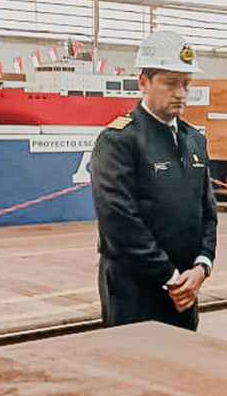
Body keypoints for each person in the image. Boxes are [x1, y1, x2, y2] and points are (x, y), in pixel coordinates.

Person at [90, 30, 217, 332]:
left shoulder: (195, 140)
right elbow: (119, 221)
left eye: (186, 83)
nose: (181, 93)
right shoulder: (118, 141)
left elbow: (207, 212)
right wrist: (170, 277)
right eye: (171, 83)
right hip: (134, 290)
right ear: (143, 83)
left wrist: (202, 265)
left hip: (186, 290)